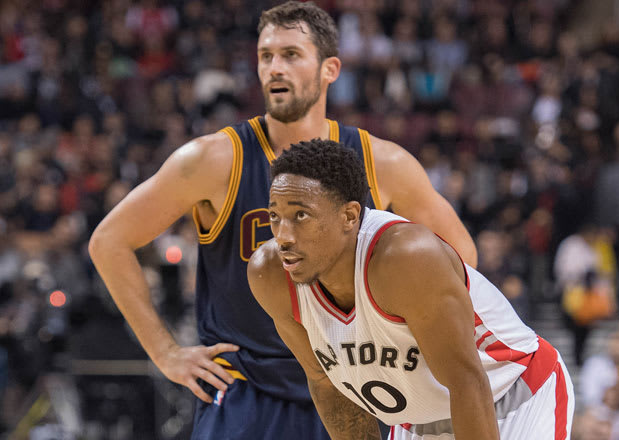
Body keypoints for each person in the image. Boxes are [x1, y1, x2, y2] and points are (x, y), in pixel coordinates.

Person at [88, 2, 477, 439]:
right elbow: (109, 241)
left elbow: (461, 257)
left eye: (291, 54)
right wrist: (164, 352)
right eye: (265, 56)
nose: (274, 67)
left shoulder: (380, 162)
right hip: (247, 388)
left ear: (330, 69)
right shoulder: (215, 159)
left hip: (353, 383)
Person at [248, 139, 575, 440]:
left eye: (300, 215)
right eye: (275, 217)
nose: (284, 235)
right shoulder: (271, 273)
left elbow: (467, 382)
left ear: (349, 216)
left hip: (509, 391)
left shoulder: (406, 258)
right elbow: (326, 384)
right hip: (417, 418)